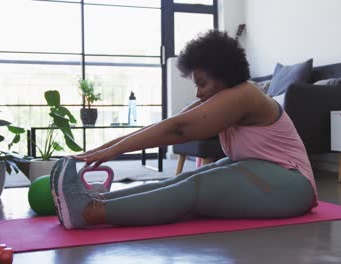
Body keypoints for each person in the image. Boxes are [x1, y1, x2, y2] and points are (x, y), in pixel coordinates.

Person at [51, 30, 318, 230]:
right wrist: (101, 150)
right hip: (262, 173)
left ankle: (88, 213)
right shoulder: (220, 98)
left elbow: (179, 129)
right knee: (177, 181)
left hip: (292, 185)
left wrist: (114, 150)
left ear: (224, 74)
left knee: (196, 186)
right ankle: (94, 200)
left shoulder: (245, 94)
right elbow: (164, 125)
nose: (198, 93)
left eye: (202, 83)